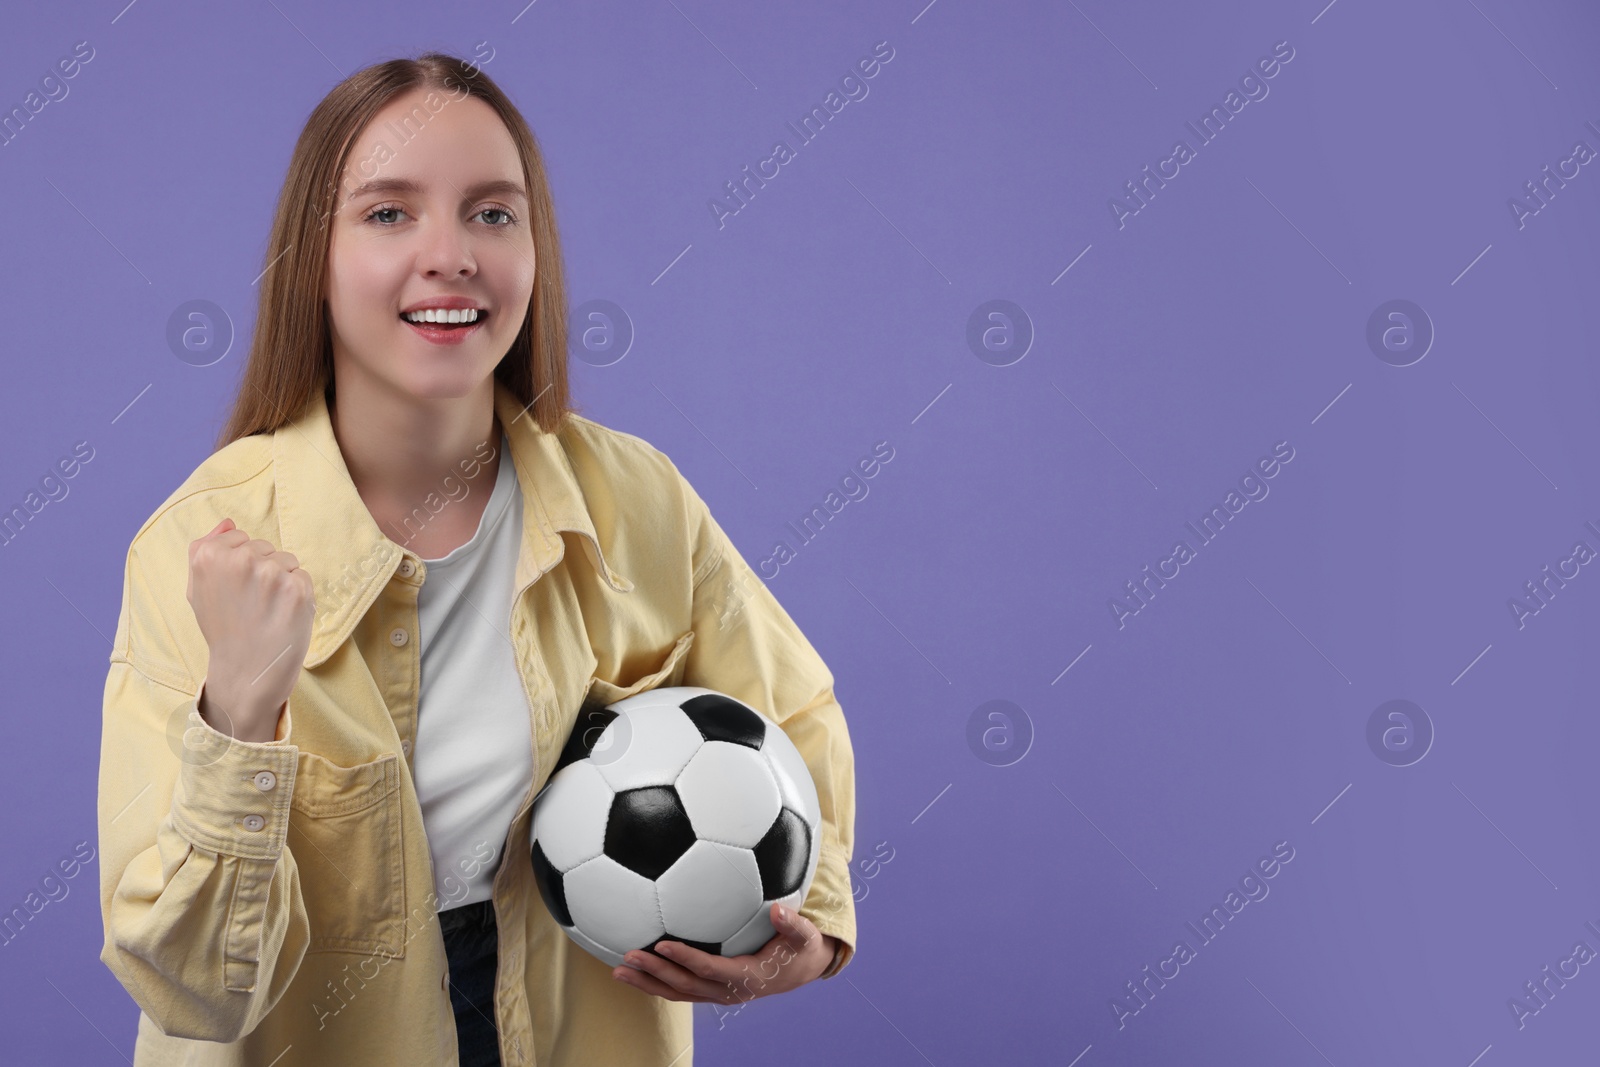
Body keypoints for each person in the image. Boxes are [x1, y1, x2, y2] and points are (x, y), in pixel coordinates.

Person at [95, 51, 857, 1067]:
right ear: (311, 256)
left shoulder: (638, 501)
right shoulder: (200, 546)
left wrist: (806, 929)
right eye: (387, 213)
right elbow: (188, 984)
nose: (450, 254)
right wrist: (238, 712)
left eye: (493, 214)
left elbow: (794, 713)